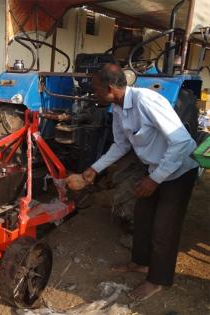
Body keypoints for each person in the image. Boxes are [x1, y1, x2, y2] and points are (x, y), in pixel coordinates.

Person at [79, 64, 198, 301]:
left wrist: (154, 180)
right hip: (155, 169)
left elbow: (182, 143)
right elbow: (121, 144)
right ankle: (140, 263)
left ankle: (157, 280)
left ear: (111, 88)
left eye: (96, 89)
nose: (93, 93)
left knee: (164, 229)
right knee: (143, 216)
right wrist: (95, 168)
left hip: (179, 171)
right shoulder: (118, 108)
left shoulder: (147, 101)